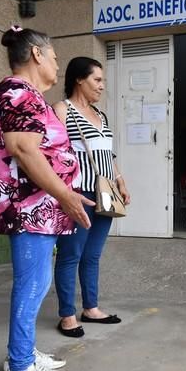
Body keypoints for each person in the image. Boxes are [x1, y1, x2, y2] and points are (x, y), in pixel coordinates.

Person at [0, 26, 93, 371]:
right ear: (37, 55)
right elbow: (24, 148)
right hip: (27, 209)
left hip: (37, 209)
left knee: (36, 282)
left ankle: (23, 352)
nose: (58, 65)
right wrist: (65, 195)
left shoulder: (24, 94)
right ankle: (19, 370)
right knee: (32, 284)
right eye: (55, 57)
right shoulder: (18, 93)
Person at [53, 57, 131, 338]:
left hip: (105, 191)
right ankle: (66, 314)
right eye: (97, 80)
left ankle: (91, 308)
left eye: (103, 81)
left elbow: (107, 154)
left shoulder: (102, 115)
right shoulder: (63, 110)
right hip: (79, 193)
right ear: (79, 79)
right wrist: (64, 192)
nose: (102, 86)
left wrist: (120, 181)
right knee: (70, 254)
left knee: (93, 255)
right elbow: (53, 154)